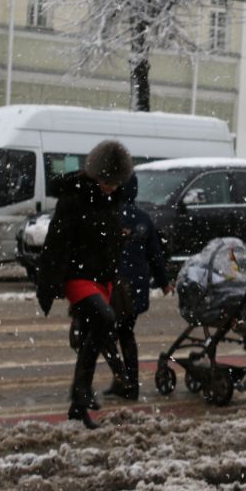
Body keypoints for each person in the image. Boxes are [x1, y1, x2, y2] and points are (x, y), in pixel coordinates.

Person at [36, 140, 133, 429]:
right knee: (105, 320)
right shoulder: (74, 198)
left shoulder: (112, 200)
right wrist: (50, 281)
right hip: (78, 277)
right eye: (106, 181)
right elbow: (57, 241)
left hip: (103, 278)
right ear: (95, 175)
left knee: (98, 333)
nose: (111, 187)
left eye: (115, 183)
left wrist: (120, 239)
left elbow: (106, 236)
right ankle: (81, 392)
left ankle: (79, 403)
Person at [106, 172, 175, 401]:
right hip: (135, 288)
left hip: (113, 288)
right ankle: (130, 383)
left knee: (102, 336)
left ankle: (123, 379)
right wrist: (164, 282)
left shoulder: (109, 215)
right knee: (125, 333)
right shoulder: (143, 219)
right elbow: (155, 256)